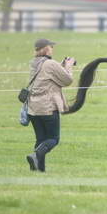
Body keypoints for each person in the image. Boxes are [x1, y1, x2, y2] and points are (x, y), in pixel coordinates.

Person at [26, 38, 75, 172]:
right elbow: (67, 80)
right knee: (53, 139)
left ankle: (39, 170)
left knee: (41, 139)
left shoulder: (34, 63)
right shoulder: (50, 64)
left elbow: (48, 73)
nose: (52, 49)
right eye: (51, 47)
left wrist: (61, 65)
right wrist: (69, 66)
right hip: (47, 107)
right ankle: (35, 155)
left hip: (33, 108)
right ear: (46, 48)